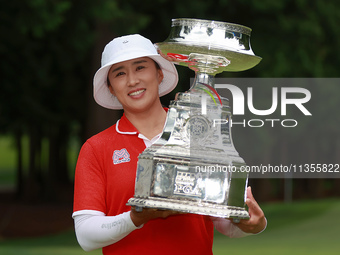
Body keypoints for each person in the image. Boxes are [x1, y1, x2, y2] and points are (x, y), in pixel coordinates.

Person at [72, 34, 267, 255]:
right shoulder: (96, 148)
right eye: (119, 73)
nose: (132, 80)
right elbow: (86, 235)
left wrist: (252, 224)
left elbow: (222, 219)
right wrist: (135, 218)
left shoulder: (198, 131)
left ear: (159, 73)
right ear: (110, 87)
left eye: (140, 68)